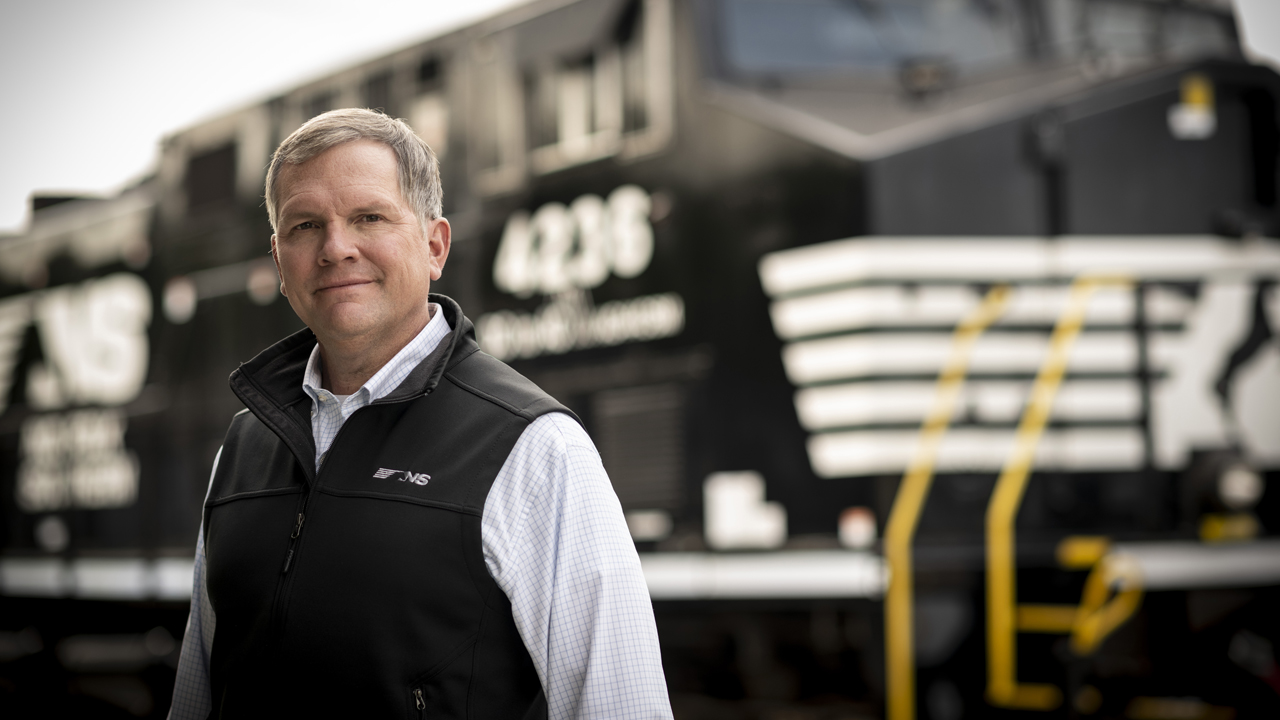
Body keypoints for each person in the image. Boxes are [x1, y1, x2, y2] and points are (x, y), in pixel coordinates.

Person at [167, 108, 672, 719]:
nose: (335, 248)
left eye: (369, 217)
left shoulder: (536, 450)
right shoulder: (241, 451)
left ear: (435, 246)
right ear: (279, 262)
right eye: (305, 226)